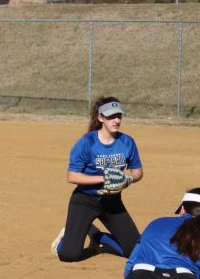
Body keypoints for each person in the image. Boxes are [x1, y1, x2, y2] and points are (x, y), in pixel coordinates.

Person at [51, 96, 143, 262]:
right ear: (101, 117)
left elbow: (138, 172)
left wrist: (128, 179)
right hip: (85, 200)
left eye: (119, 116)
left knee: (136, 251)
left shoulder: (127, 142)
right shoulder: (87, 142)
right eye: (111, 116)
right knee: (68, 255)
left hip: (112, 202)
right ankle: (66, 239)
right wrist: (105, 178)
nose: (116, 120)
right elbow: (72, 176)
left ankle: (97, 236)